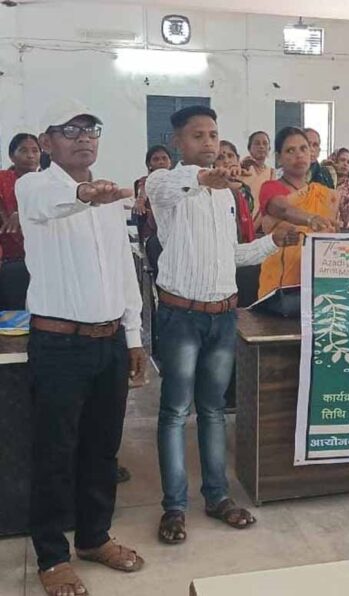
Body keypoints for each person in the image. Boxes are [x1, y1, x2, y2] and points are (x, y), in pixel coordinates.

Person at [145, 106, 299, 545]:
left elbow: (231, 255)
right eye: (197, 136)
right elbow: (177, 183)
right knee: (176, 411)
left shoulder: (226, 196)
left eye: (213, 135)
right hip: (180, 316)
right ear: (178, 142)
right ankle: (174, 507)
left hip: (222, 316)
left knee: (213, 409)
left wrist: (272, 242)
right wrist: (205, 178)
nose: (208, 143)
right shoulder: (163, 184)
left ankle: (217, 497)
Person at [17, 99, 147, 596]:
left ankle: (94, 538)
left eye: (90, 129)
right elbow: (53, 203)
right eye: (70, 130)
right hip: (59, 344)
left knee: (102, 449)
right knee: (54, 453)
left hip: (109, 342)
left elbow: (123, 270)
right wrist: (84, 194)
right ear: (46, 142)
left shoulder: (109, 195)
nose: (83, 138)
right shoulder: (34, 187)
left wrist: (133, 336)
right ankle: (52, 556)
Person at [257, 127, 339, 316]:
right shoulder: (271, 187)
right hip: (280, 292)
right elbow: (283, 210)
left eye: (303, 148)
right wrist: (311, 219)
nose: (299, 155)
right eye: (290, 150)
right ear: (279, 158)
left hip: (315, 285)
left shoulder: (323, 194)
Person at [0, 133, 40, 309]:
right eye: (23, 150)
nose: (30, 156)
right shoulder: (2, 180)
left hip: (41, 259)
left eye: (35, 151)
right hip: (8, 259)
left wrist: (22, 213)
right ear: (11, 156)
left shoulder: (47, 184)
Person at [215, 140, 256, 243]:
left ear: (237, 159)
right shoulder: (214, 189)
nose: (226, 161)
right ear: (213, 164)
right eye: (220, 158)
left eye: (230, 156)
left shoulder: (244, 187)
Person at [132, 144, 173, 243]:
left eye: (164, 158)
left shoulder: (177, 181)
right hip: (154, 234)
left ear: (170, 162)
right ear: (149, 164)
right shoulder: (145, 181)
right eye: (156, 159)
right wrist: (140, 200)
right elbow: (143, 190)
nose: (161, 162)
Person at [241, 130, 277, 221]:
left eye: (265, 143)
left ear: (269, 149)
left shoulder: (272, 173)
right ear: (249, 148)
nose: (261, 146)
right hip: (243, 219)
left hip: (264, 222)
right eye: (257, 143)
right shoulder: (242, 169)